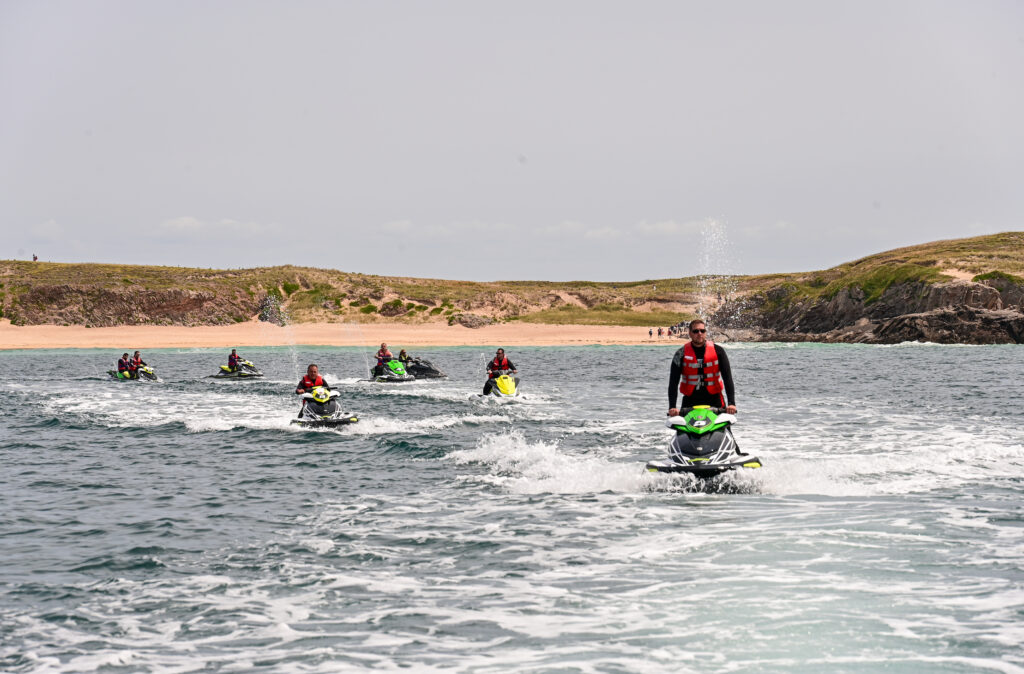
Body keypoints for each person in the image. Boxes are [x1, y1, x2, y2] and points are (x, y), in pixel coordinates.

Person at [667, 319, 737, 417]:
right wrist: (672, 407)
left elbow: (727, 378)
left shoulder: (719, 351)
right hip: (690, 402)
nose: (699, 333)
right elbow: (673, 382)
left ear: (705, 333)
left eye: (702, 331)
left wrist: (731, 404)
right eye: (696, 331)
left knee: (724, 428)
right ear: (690, 333)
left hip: (715, 401)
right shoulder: (680, 354)